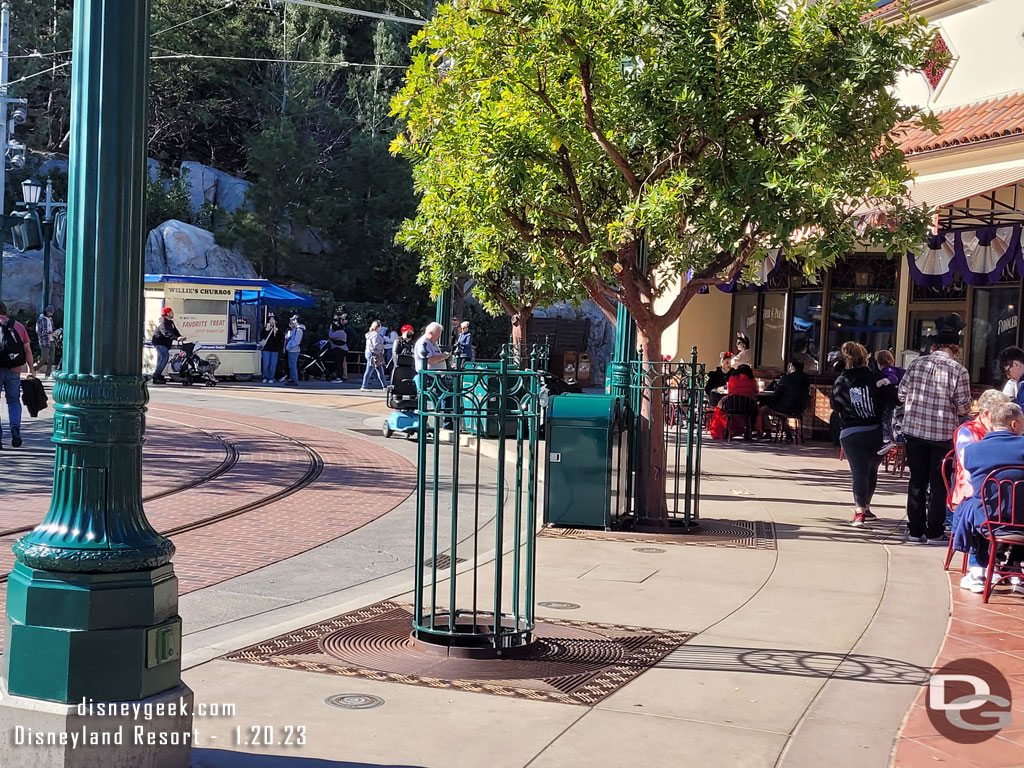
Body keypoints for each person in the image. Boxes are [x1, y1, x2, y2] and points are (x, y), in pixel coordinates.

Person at [898, 329, 972, 544]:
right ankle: (934, 532)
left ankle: (914, 530)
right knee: (939, 483)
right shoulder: (959, 370)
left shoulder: (915, 365)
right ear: (955, 348)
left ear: (934, 346)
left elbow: (901, 394)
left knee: (916, 481)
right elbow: (965, 407)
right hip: (942, 435)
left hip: (914, 431)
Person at [951, 401, 1024, 593]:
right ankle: (1014, 567)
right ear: (1014, 425)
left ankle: (978, 570)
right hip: (1021, 519)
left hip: (988, 522)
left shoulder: (972, 451)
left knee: (974, 504)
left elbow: (971, 481)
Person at [831, 341, 895, 527]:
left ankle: (859, 512)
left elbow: (836, 406)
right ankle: (866, 506)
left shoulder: (841, 381)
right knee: (871, 470)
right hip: (875, 431)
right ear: (866, 359)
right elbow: (890, 398)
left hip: (850, 432)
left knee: (858, 471)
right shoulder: (875, 377)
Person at [950, 389, 1010, 512]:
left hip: (999, 492)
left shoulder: (1005, 431)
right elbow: (970, 469)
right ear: (987, 414)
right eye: (1002, 413)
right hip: (971, 495)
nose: (1006, 418)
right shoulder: (967, 432)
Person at [0, 301, 36, 448]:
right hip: (14, 370)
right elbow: (27, 350)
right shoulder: (18, 326)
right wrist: (31, 370)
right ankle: (15, 427)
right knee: (13, 401)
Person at [759, 360, 810, 441]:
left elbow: (777, 394)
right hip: (798, 410)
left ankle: (768, 432)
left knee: (763, 410)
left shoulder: (787, 378)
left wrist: (771, 401)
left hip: (785, 408)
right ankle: (787, 432)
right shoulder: (806, 380)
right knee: (782, 411)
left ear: (792, 367)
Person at [709, 364, 759, 439]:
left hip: (732, 406)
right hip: (748, 407)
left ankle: (724, 428)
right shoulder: (752, 381)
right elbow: (756, 392)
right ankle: (751, 429)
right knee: (757, 409)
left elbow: (730, 390)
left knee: (720, 407)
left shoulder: (733, 379)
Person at [151, 306, 184, 384]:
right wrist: (176, 338)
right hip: (160, 343)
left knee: (161, 359)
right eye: (171, 312)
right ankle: (156, 375)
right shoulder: (163, 322)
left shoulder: (170, 322)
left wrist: (180, 336)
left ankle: (158, 375)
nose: (173, 313)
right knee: (165, 357)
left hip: (164, 344)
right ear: (167, 313)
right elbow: (166, 333)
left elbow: (175, 331)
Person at [361, 320, 388, 391]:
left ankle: (385, 386)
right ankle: (364, 386)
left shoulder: (370, 334)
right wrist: (383, 346)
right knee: (369, 370)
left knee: (379, 370)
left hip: (371, 353)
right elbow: (376, 345)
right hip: (374, 354)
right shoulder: (375, 335)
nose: (381, 328)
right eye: (380, 326)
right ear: (378, 327)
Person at [259, 313, 285, 384]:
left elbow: (281, 338)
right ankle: (265, 377)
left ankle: (271, 378)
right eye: (270, 320)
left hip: (275, 350)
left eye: (273, 320)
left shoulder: (278, 329)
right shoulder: (265, 328)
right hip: (266, 349)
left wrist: (277, 331)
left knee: (273, 365)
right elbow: (262, 336)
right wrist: (267, 330)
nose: (272, 321)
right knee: (266, 364)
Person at [328, 310, 348, 382]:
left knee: (340, 364)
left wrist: (330, 329)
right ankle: (341, 376)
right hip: (341, 349)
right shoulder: (341, 331)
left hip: (340, 349)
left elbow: (331, 335)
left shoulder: (341, 332)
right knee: (340, 363)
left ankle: (340, 377)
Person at [284, 314, 305, 386]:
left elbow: (296, 341)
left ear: (296, 320)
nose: (292, 321)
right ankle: (292, 379)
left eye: (293, 320)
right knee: (291, 365)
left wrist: (288, 347)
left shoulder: (299, 330)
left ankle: (294, 380)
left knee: (293, 365)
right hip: (292, 350)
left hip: (294, 350)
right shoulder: (296, 328)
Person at [35, 305, 55, 378]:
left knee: (51, 359)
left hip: (51, 340)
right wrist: (49, 332)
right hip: (44, 341)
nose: (51, 314)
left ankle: (48, 374)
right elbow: (39, 331)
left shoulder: (50, 319)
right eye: (50, 312)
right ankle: (33, 368)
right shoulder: (41, 319)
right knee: (44, 358)